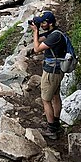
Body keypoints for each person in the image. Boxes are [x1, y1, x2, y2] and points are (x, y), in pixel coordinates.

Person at [30, 10, 66, 139]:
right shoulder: (55, 33)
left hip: (51, 72)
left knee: (46, 100)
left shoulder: (55, 36)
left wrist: (35, 31)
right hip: (56, 71)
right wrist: (36, 29)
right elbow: (38, 40)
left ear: (50, 23)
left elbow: (37, 48)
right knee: (56, 96)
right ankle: (56, 124)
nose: (42, 24)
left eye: (43, 23)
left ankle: (52, 130)